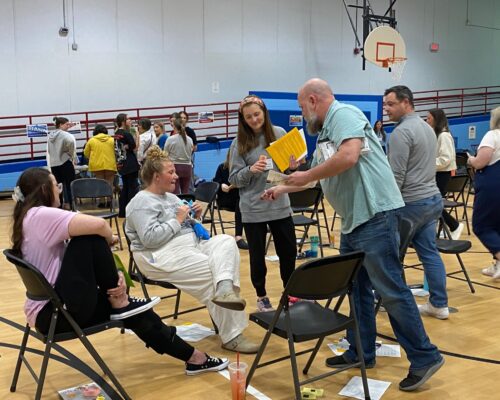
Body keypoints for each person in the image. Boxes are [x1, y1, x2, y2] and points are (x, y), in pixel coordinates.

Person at [263, 78, 443, 392]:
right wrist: (282, 186)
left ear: (314, 100)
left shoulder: (343, 114)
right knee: (357, 290)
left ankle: (425, 356)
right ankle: (361, 350)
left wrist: (306, 174)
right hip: (353, 221)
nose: (303, 114)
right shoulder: (324, 136)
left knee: (391, 290)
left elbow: (348, 157)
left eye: (303, 106)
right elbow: (314, 179)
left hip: (374, 216)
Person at [11, 167, 229, 375]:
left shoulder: (27, 218)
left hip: (51, 309)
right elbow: (100, 226)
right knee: (89, 237)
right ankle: (122, 301)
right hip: (58, 314)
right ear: (43, 190)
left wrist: (113, 279)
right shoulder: (40, 215)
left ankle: (193, 357)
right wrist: (110, 240)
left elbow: (74, 264)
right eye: (55, 185)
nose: (59, 188)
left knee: (135, 312)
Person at [125, 146, 259, 354]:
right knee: (210, 273)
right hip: (158, 255)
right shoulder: (140, 203)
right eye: (171, 172)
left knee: (225, 240)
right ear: (155, 176)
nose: (176, 176)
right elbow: (150, 239)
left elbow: (185, 225)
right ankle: (232, 336)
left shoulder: (171, 198)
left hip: (188, 245)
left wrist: (193, 217)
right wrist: (178, 219)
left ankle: (225, 290)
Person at [385, 86, 449, 320]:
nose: (386, 109)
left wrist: (386, 206)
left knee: (393, 256)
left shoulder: (401, 132)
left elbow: (396, 176)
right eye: (385, 105)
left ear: (406, 103)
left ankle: (393, 303)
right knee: (430, 253)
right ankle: (439, 305)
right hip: (432, 200)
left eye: (391, 104)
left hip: (411, 203)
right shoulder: (427, 127)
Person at [229, 95, 297, 312]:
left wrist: (293, 166)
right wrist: (250, 170)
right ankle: (261, 296)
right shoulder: (238, 143)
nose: (254, 119)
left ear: (264, 113)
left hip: (280, 204)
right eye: (248, 117)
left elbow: (289, 171)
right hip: (253, 208)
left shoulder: (279, 133)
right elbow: (233, 179)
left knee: (288, 253)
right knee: (257, 257)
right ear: (243, 119)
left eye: (257, 114)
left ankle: (290, 293)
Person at [467, 106, 500, 279]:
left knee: (482, 225)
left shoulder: (492, 135)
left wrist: (470, 159)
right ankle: (497, 265)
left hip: (493, 185)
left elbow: (480, 162)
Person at [426, 108, 463, 240]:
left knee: (434, 203)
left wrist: (427, 163)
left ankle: (454, 225)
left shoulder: (444, 135)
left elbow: (445, 159)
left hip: (442, 174)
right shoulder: (437, 135)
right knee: (434, 204)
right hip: (438, 173)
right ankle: (443, 228)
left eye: (429, 118)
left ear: (436, 119)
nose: (426, 120)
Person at [213, 149, 248, 250]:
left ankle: (261, 225)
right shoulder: (222, 167)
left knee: (244, 200)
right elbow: (215, 182)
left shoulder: (244, 169)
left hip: (241, 198)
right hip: (226, 199)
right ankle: (238, 237)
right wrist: (221, 185)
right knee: (241, 203)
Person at [47, 116, 76, 209]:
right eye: (66, 124)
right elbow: (71, 142)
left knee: (58, 187)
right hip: (65, 162)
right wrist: (71, 154)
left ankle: (59, 206)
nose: (68, 126)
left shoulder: (50, 136)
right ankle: (72, 206)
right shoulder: (65, 135)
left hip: (54, 164)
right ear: (60, 125)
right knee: (70, 185)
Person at [114, 113, 140, 217]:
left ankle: (122, 212)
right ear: (123, 121)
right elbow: (134, 147)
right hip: (130, 163)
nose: (131, 121)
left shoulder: (116, 133)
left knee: (125, 188)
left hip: (121, 163)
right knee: (132, 187)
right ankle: (131, 212)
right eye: (128, 119)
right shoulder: (126, 133)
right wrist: (137, 136)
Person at [164, 115, 193, 194]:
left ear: (174, 127)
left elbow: (165, 154)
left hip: (175, 166)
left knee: (175, 192)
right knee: (186, 192)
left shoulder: (171, 139)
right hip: (188, 167)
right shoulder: (190, 139)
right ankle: (186, 206)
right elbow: (191, 152)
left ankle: (177, 206)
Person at [83, 124, 117, 190]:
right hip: (110, 165)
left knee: (100, 185)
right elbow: (117, 152)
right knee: (109, 184)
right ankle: (109, 199)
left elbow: (86, 153)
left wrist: (93, 157)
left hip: (97, 166)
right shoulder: (112, 140)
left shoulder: (91, 140)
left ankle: (102, 199)